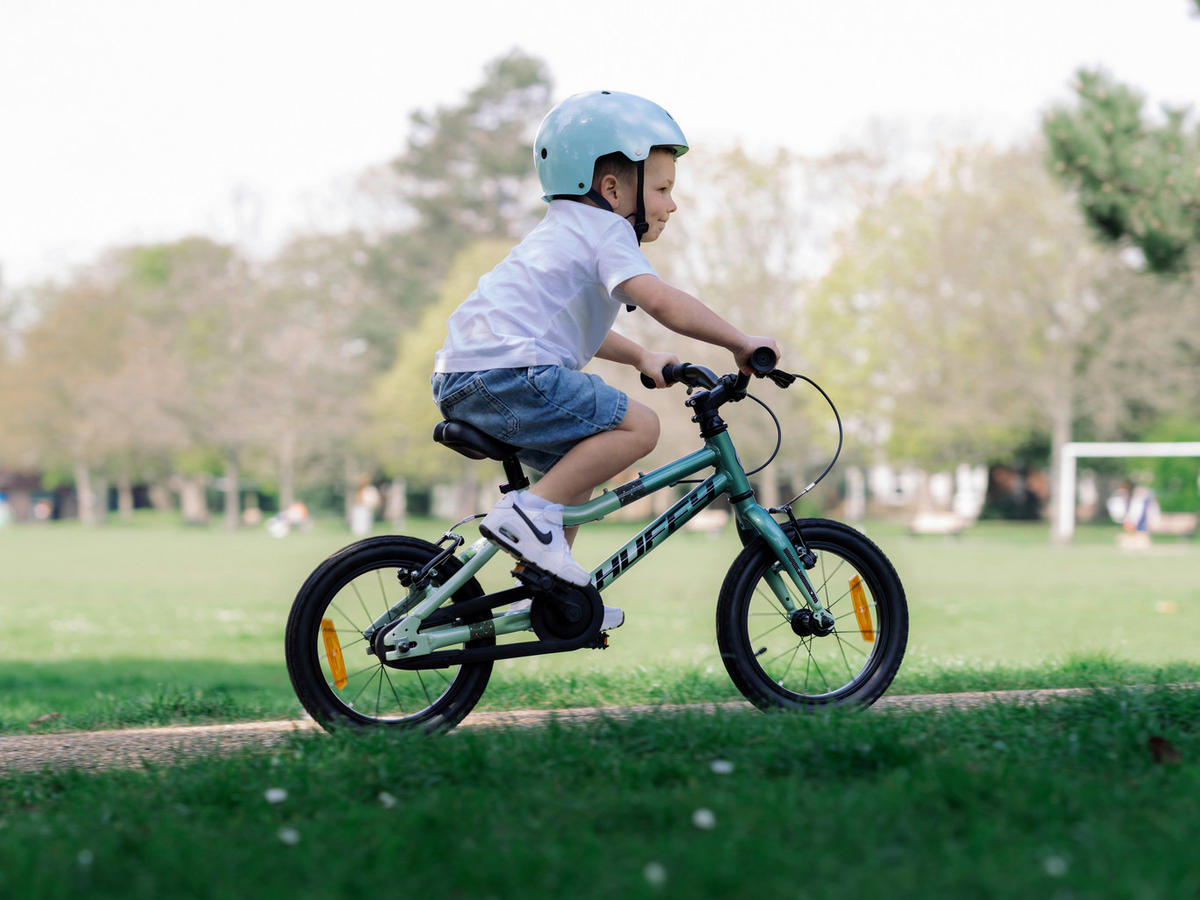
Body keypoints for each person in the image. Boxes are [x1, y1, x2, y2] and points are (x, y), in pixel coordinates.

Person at [431, 91, 781, 628]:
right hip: (508, 371)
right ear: (613, 189)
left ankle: (545, 589)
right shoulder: (607, 229)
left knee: (574, 475)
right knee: (639, 426)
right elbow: (662, 300)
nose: (671, 204)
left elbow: (570, 326)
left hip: (468, 374)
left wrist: (642, 355)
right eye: (662, 188)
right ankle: (525, 518)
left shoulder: (561, 230)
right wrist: (739, 342)